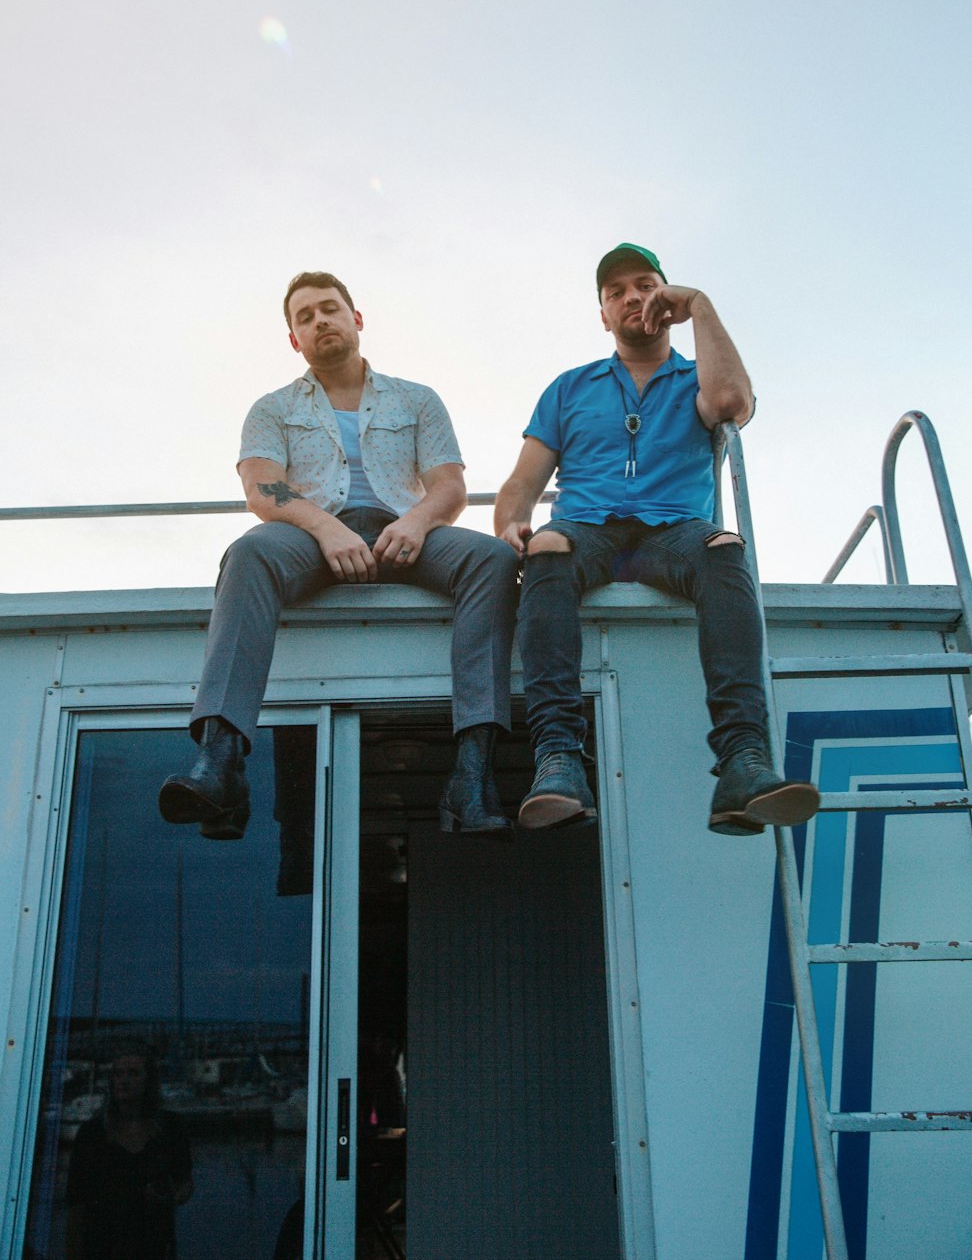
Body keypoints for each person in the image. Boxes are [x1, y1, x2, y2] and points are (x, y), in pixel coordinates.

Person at [158, 272, 519, 839]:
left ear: (357, 318)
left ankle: (472, 775)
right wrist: (326, 528)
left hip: (404, 533)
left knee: (494, 561)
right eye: (304, 317)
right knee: (248, 555)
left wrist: (417, 522)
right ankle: (221, 761)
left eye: (329, 308)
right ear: (294, 340)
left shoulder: (417, 399)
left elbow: (448, 487)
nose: (319, 320)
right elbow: (263, 488)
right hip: (308, 536)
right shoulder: (271, 408)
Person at [494, 242, 820, 836]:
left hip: (673, 534)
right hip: (587, 531)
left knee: (726, 548)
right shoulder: (569, 387)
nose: (631, 298)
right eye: (615, 292)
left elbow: (730, 403)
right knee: (545, 547)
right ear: (602, 314)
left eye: (645, 284)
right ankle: (559, 758)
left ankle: (744, 760)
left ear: (664, 296)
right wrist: (511, 523)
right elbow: (521, 483)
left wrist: (700, 306)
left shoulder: (697, 376)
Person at [65, 1045, 192, 1260]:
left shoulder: (171, 1127)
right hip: (102, 1251)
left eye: (133, 1073)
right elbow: (77, 1206)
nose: (124, 1080)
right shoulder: (92, 1134)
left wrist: (170, 1197)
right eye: (118, 1073)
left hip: (154, 1249)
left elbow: (186, 1182)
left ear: (148, 1081)